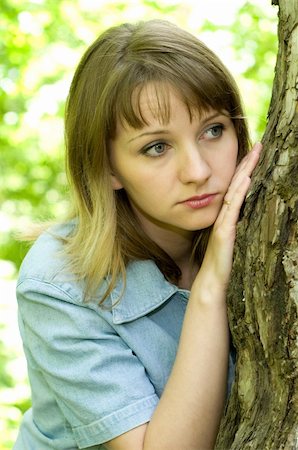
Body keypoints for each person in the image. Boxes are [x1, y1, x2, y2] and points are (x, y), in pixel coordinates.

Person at [14, 19, 262, 450]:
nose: (198, 172)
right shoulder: (59, 283)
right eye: (157, 147)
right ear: (108, 167)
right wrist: (209, 290)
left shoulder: (268, 232)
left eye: (213, 130)